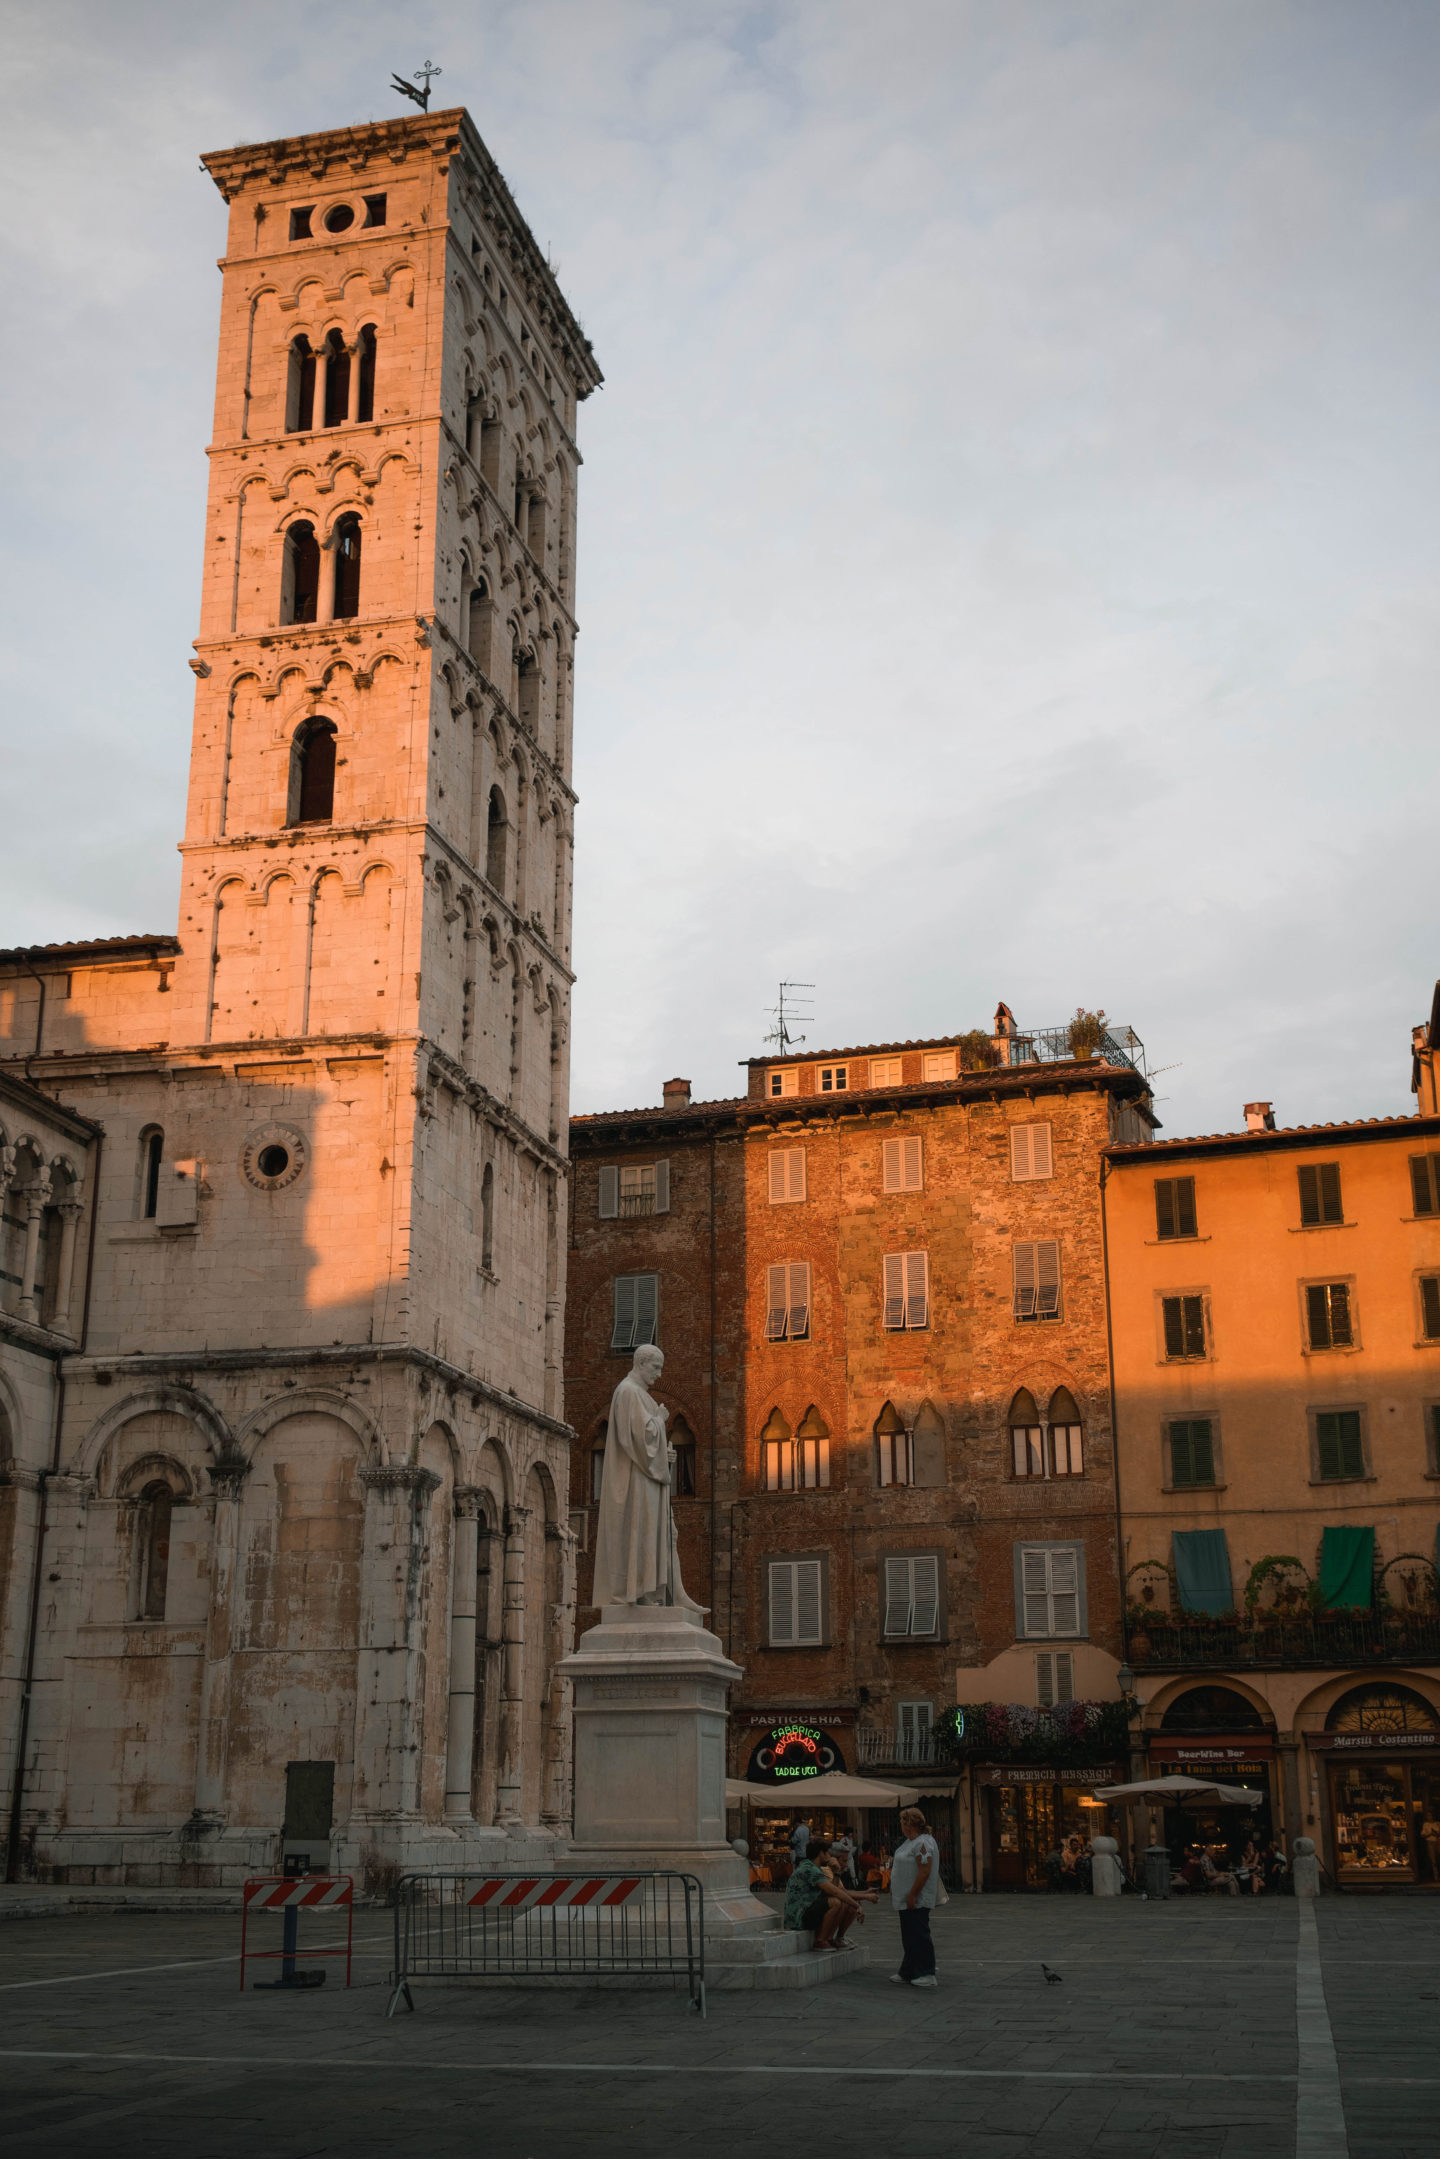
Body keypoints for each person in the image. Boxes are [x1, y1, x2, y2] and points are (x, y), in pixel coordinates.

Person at [889, 1806, 941, 1989]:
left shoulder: (923, 1843)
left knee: (919, 1935)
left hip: (916, 1899)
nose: (901, 1826)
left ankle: (926, 1972)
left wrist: (913, 1894)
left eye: (903, 1822)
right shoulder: (910, 1841)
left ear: (909, 1824)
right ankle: (908, 1970)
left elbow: (925, 1870)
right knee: (909, 1936)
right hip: (905, 1899)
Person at [813, 1847, 879, 1948]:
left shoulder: (833, 1871)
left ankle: (838, 1937)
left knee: (848, 1902)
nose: (846, 1865)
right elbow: (838, 1892)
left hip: (826, 1903)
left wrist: (865, 1893)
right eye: (843, 1861)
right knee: (842, 1902)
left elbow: (843, 1891)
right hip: (818, 1906)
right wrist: (865, 1897)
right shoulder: (826, 1870)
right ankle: (826, 1938)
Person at [782, 1837, 831, 1934]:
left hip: (805, 1911)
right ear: (821, 1853)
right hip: (798, 1917)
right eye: (828, 1853)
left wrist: (864, 1895)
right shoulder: (810, 1869)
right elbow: (834, 1891)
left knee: (844, 1903)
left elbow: (834, 1890)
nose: (830, 1856)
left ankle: (835, 1938)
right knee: (836, 1902)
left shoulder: (814, 1867)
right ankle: (821, 1940)